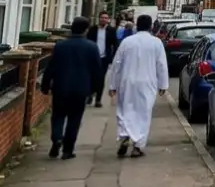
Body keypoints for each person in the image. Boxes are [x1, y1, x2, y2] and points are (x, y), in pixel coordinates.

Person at [40, 16, 102, 160]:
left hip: (61, 88)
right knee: (74, 120)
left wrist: (45, 85)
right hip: (81, 90)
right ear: (86, 30)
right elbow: (97, 71)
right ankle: (68, 150)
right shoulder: (92, 47)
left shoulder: (60, 46)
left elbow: (51, 68)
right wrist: (96, 89)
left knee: (58, 116)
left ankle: (57, 138)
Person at [108, 14, 169, 158]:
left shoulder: (127, 42)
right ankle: (137, 145)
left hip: (127, 81)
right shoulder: (156, 42)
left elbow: (117, 64)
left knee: (124, 109)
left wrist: (112, 85)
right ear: (150, 26)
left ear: (137, 25)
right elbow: (161, 65)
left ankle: (124, 136)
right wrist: (163, 84)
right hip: (147, 82)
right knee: (143, 113)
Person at [85, 12, 119, 108]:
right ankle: (90, 95)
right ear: (99, 18)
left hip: (104, 58)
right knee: (91, 77)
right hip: (93, 57)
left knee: (100, 79)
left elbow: (115, 44)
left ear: (108, 20)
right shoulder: (92, 29)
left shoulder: (111, 30)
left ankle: (98, 99)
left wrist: (113, 58)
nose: (104, 19)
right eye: (102, 18)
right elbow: (88, 42)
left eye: (106, 18)